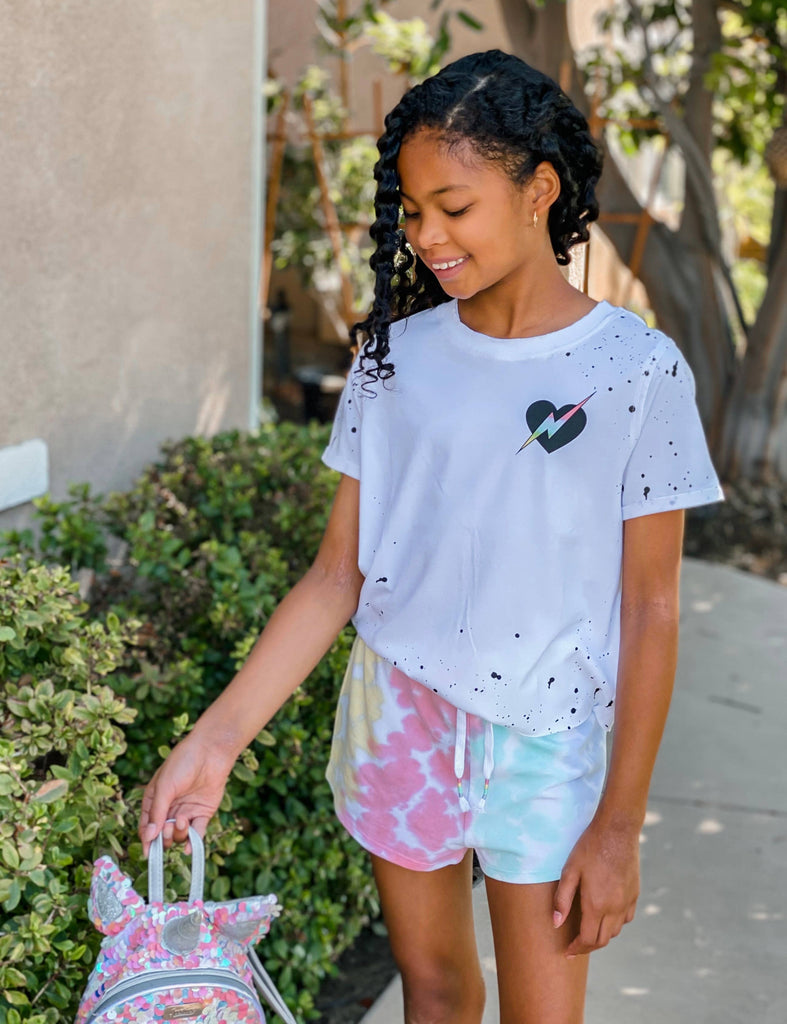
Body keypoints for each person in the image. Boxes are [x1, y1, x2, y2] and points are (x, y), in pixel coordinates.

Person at [140, 50, 724, 1024]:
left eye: (454, 207)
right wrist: (216, 739)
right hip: (398, 716)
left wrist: (618, 827)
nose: (426, 237)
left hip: (544, 731)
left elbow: (651, 606)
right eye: (412, 211)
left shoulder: (636, 369)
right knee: (437, 990)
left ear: (539, 190)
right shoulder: (395, 359)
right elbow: (336, 577)